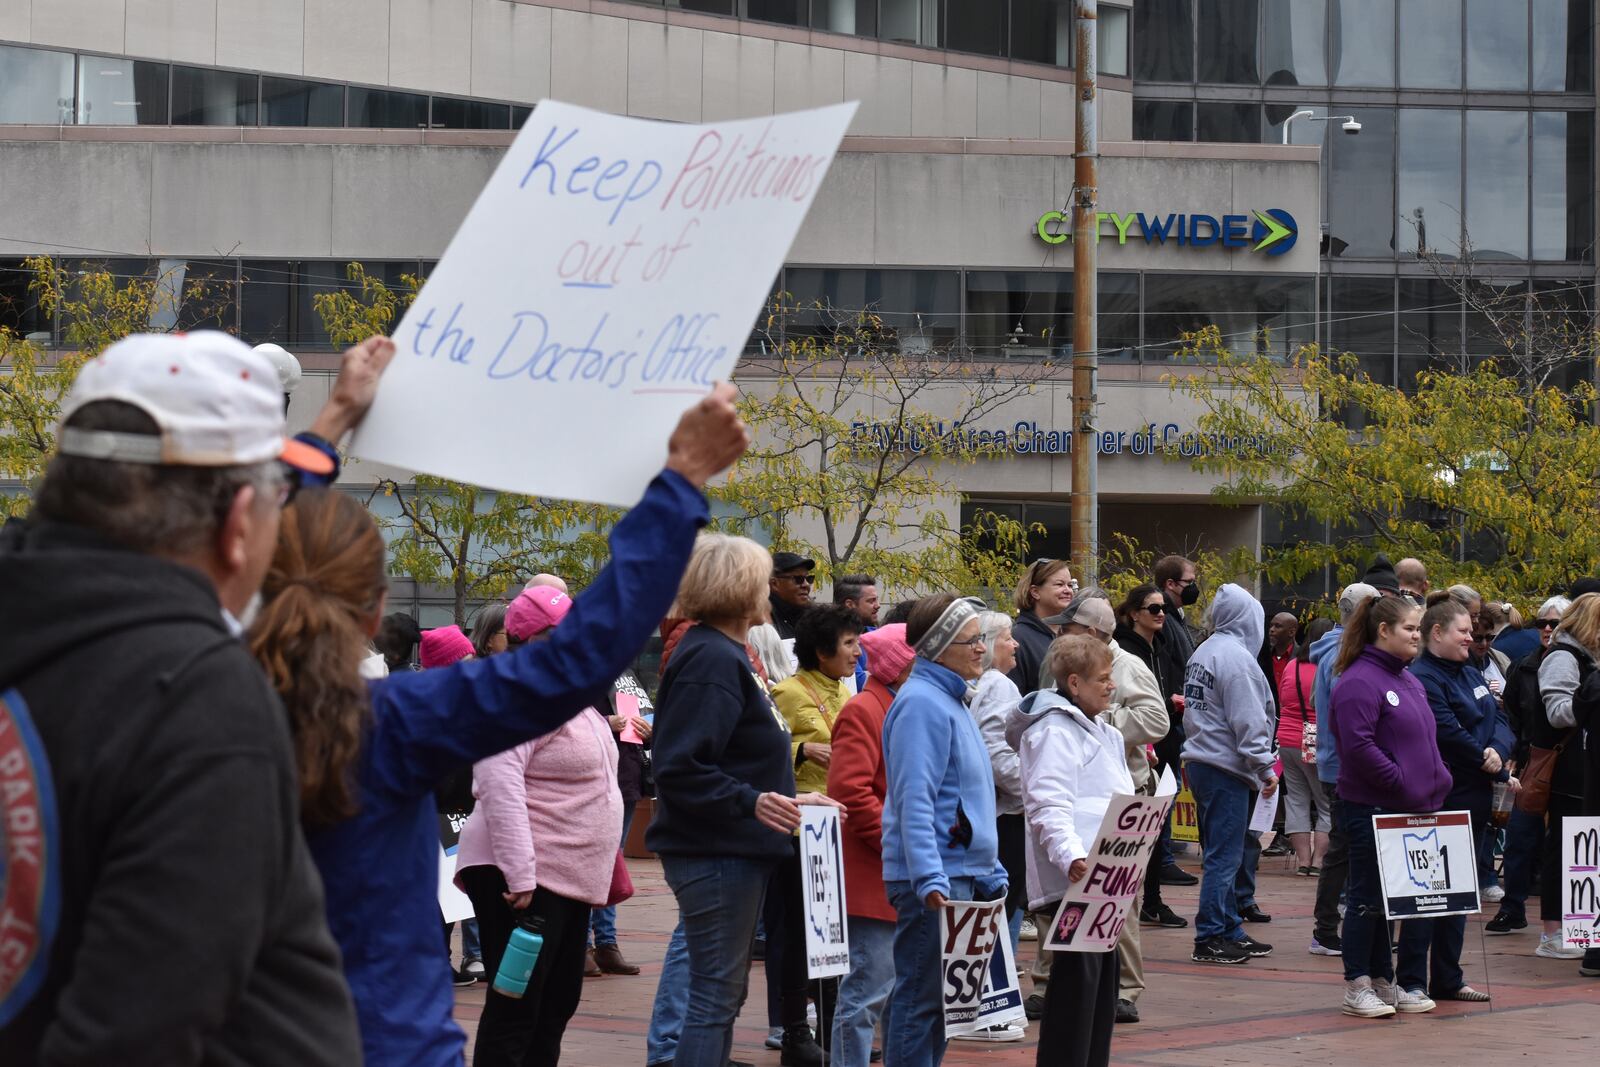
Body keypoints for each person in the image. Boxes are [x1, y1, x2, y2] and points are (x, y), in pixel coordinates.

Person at [247, 384, 749, 1064]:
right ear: (376, 614)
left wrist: (327, 425)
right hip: (387, 1041)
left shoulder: (169, 697)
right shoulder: (393, 722)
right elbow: (577, 658)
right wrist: (682, 480)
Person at [0, 330, 391, 1064]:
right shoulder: (199, 700)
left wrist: (334, 416)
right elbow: (132, 1038)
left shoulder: (43, 624)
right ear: (241, 525)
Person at [646, 534, 842, 1067]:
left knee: (722, 997)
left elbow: (735, 757)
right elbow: (679, 767)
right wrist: (752, 801)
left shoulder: (729, 654)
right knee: (714, 998)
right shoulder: (710, 657)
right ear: (737, 587)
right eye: (762, 578)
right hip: (715, 853)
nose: (772, 589)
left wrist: (793, 799)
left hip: (735, 848)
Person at [452, 585, 627, 1065]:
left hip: (566, 878)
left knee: (556, 1004)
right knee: (518, 1007)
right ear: (527, 638)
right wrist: (520, 870)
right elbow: (497, 782)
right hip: (526, 880)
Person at [881, 594, 1008, 1067]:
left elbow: (967, 796)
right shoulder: (922, 705)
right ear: (937, 646)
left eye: (981, 639)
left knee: (944, 1007)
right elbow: (915, 800)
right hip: (935, 881)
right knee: (921, 1001)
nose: (982, 648)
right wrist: (929, 878)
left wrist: (988, 866)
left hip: (957, 874)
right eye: (971, 640)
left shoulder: (949, 699)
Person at [1006, 635, 1131, 1067]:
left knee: (1099, 985)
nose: (1111, 686)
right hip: (1078, 877)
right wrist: (1072, 856)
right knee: (1077, 987)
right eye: (1103, 678)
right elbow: (1048, 803)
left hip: (1103, 876)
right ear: (1074, 683)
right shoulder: (1054, 731)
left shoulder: (1096, 727)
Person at [1327, 595, 1451, 1018]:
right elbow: (1358, 746)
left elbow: (1424, 741)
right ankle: (1357, 982)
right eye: (1410, 629)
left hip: (1407, 807)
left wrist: (1438, 777)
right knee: (1365, 895)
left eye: (1418, 629)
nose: (1418, 636)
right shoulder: (1360, 681)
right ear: (1384, 631)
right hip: (1370, 807)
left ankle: (1382, 978)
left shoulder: (1408, 679)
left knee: (1388, 897)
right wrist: (1399, 782)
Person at [1060, 596, 1169, 1024]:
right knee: (1070, 893)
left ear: (1090, 633)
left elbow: (1156, 720)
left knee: (1119, 894)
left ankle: (1124, 987)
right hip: (1086, 797)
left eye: (1067, 628)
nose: (1058, 634)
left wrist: (1100, 719)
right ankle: (1052, 983)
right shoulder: (1068, 664)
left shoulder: (1126, 666)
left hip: (1123, 800)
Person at [768, 604, 864, 1064]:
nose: (856, 652)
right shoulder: (787, 691)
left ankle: (833, 1029)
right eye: (848, 644)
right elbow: (765, 752)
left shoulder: (847, 690)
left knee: (836, 934)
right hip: (801, 825)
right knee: (798, 933)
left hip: (839, 824)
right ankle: (794, 1033)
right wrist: (804, 750)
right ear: (822, 651)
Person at [1401, 595, 1508, 1001]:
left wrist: (1498, 749)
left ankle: (1448, 976)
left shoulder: (1473, 670)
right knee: (1428, 894)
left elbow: (1501, 717)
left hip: (1476, 796)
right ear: (1437, 632)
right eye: (1464, 631)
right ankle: (1412, 979)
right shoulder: (1424, 677)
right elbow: (1445, 729)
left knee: (1459, 894)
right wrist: (1486, 757)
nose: (1472, 637)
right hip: (1443, 798)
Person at [829, 624, 916, 1067]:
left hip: (895, 871)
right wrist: (901, 845)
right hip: (874, 875)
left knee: (891, 992)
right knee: (866, 994)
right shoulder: (865, 710)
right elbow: (851, 792)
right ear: (901, 664)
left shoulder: (896, 706)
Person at [1182, 584, 1278, 965]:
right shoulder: (1237, 660)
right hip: (1226, 766)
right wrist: (1263, 767)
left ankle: (1228, 927)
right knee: (1225, 856)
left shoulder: (1204, 651)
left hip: (1206, 761)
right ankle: (1209, 936)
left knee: (1223, 852)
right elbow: (1249, 719)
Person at [1487, 595, 1570, 935]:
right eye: (1542, 623)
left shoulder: (1580, 664)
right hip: (1532, 761)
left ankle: (1568, 914)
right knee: (1520, 835)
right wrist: (1513, 753)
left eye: (1555, 623)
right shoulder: (1524, 666)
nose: (1547, 629)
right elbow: (1512, 716)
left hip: (1570, 767)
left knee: (1564, 843)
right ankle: (1513, 906)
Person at [1113, 583, 1195, 928]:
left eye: (1163, 607)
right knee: (1138, 830)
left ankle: (1152, 899)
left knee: (1158, 823)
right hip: (1136, 752)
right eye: (1153, 608)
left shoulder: (1160, 646)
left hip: (1164, 743)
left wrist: (1170, 703)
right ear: (1133, 614)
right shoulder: (1124, 651)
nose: (1161, 613)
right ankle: (1135, 899)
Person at [1527, 593, 1600, 959]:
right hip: (1565, 770)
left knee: (1582, 852)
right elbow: (1558, 712)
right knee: (1562, 849)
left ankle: (1580, 929)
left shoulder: (1586, 659)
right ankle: (1553, 932)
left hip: (1585, 769)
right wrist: (1590, 697)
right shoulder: (1563, 657)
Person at [1309, 581, 1379, 957]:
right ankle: (1325, 929)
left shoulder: (1338, 651)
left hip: (1337, 761)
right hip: (1342, 764)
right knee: (1343, 846)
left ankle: (1344, 922)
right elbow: (1347, 710)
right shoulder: (1343, 653)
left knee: (1347, 845)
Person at [423, 624, 485, 988]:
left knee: (453, 897)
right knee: (440, 898)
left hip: (461, 810)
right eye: (466, 658)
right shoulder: (436, 708)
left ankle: (443, 961)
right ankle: (435, 963)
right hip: (440, 812)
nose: (473, 663)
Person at [587, 663, 654, 978]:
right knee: (592, 863)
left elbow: (646, 720)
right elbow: (559, 721)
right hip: (593, 779)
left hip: (626, 778)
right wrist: (604, 723)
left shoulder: (625, 674)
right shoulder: (577, 670)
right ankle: (583, 944)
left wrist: (648, 730)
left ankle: (606, 943)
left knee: (612, 863)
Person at [968, 611, 1027, 948]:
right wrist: (1032, 791)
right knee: (997, 914)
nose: (1014, 643)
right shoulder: (999, 686)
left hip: (991, 813)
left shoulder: (982, 684)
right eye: (1007, 637)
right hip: (1004, 816)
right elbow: (999, 756)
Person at [1278, 619, 1333, 876]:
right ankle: (1319, 861)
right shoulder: (1327, 666)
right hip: (1316, 737)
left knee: (1297, 801)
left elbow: (1282, 700)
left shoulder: (1292, 666)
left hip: (1287, 739)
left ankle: (1303, 862)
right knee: (1325, 803)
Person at [1009, 558, 1074, 696]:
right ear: (1035, 592)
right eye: (1059, 584)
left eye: (1070, 585)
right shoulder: (1017, 639)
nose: (1068, 590)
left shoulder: (1074, 635)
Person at [834, 572, 880, 690]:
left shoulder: (876, 633)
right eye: (871, 601)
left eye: (877, 600)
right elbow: (861, 684)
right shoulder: (835, 639)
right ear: (850, 604)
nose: (878, 605)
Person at [769, 550, 816, 640]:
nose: (806, 585)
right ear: (774, 584)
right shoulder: (761, 620)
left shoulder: (812, 619)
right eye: (798, 579)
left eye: (809, 579)